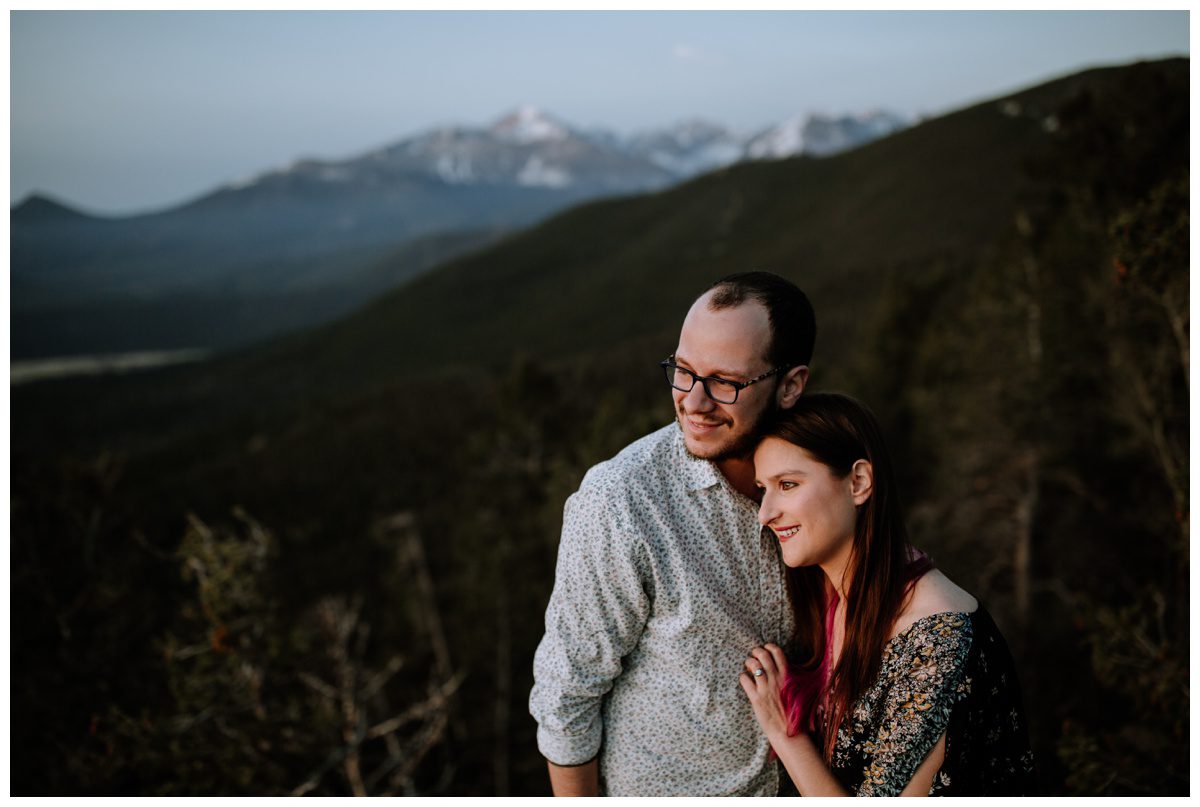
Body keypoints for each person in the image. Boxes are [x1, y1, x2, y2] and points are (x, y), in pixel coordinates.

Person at [529, 271, 816, 796]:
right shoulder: (622, 500)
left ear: (791, 385)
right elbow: (566, 698)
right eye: (683, 372)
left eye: (725, 383)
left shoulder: (824, 479)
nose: (694, 402)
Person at [741, 393, 1038, 796]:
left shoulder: (936, 639)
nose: (765, 512)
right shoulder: (835, 597)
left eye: (788, 484)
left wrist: (784, 732)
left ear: (859, 482)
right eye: (763, 489)